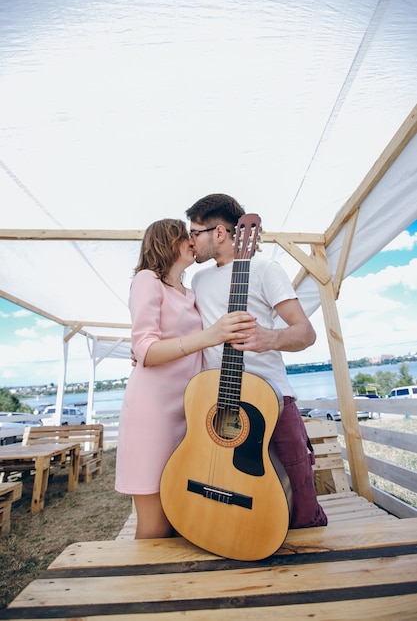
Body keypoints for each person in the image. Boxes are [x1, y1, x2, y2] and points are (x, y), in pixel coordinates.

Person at [185, 193, 327, 529]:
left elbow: (306, 333)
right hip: (219, 405)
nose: (190, 241)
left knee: (300, 496)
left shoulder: (265, 269)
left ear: (219, 233)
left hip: (272, 400)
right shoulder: (198, 280)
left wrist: (270, 337)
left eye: (195, 233)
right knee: (231, 490)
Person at [115, 218, 255, 539]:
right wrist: (210, 335)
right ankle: (145, 588)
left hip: (190, 415)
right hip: (152, 415)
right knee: (156, 525)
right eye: (185, 237)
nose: (193, 242)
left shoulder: (190, 294)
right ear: (167, 242)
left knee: (183, 511)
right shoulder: (147, 281)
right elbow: (146, 350)